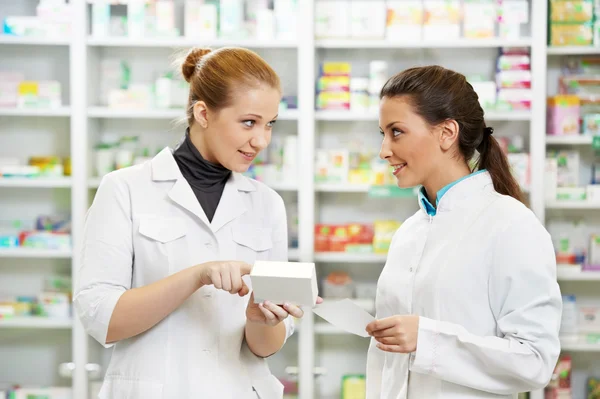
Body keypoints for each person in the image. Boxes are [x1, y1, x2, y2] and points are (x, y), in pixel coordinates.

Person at [74, 47, 314, 399]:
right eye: (249, 122)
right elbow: (101, 319)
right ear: (203, 113)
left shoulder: (267, 205)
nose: (261, 140)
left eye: (269, 124)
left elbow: (266, 347)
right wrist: (196, 276)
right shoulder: (125, 189)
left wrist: (261, 320)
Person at [365, 65, 562, 398]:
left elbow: (535, 362)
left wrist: (427, 341)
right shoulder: (409, 232)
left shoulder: (511, 225)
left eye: (396, 132)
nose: (384, 150)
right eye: (382, 134)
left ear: (446, 133)